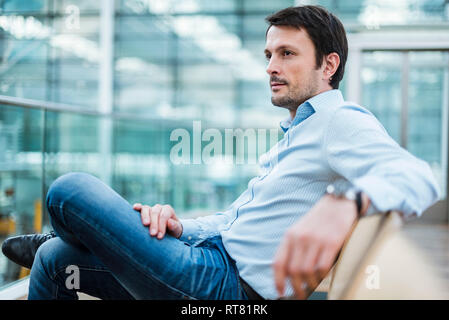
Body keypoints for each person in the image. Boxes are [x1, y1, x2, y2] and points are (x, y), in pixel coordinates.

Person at [1, 5, 440, 300]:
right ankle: (68, 238)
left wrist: (347, 206)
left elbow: (420, 176)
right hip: (208, 256)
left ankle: (72, 229)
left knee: (68, 190)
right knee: (54, 260)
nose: (271, 66)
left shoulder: (341, 121)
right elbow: (236, 224)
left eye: (287, 54)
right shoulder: (298, 130)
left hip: (226, 288)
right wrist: (182, 226)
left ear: (329, 65)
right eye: (269, 54)